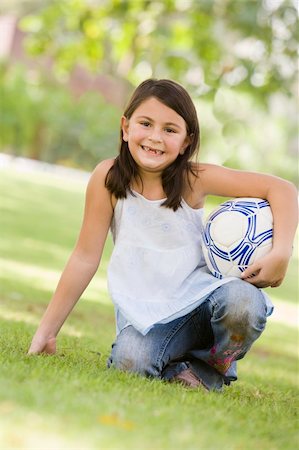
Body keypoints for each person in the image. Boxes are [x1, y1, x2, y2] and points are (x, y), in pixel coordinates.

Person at [28, 79, 298, 391]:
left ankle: (211, 368)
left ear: (186, 141)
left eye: (170, 130)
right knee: (131, 363)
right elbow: (84, 257)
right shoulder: (108, 178)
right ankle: (180, 367)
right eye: (146, 124)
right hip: (150, 315)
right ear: (126, 128)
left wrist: (281, 251)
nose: (156, 137)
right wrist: (47, 331)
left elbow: (282, 189)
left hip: (205, 302)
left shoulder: (193, 179)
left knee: (243, 304)